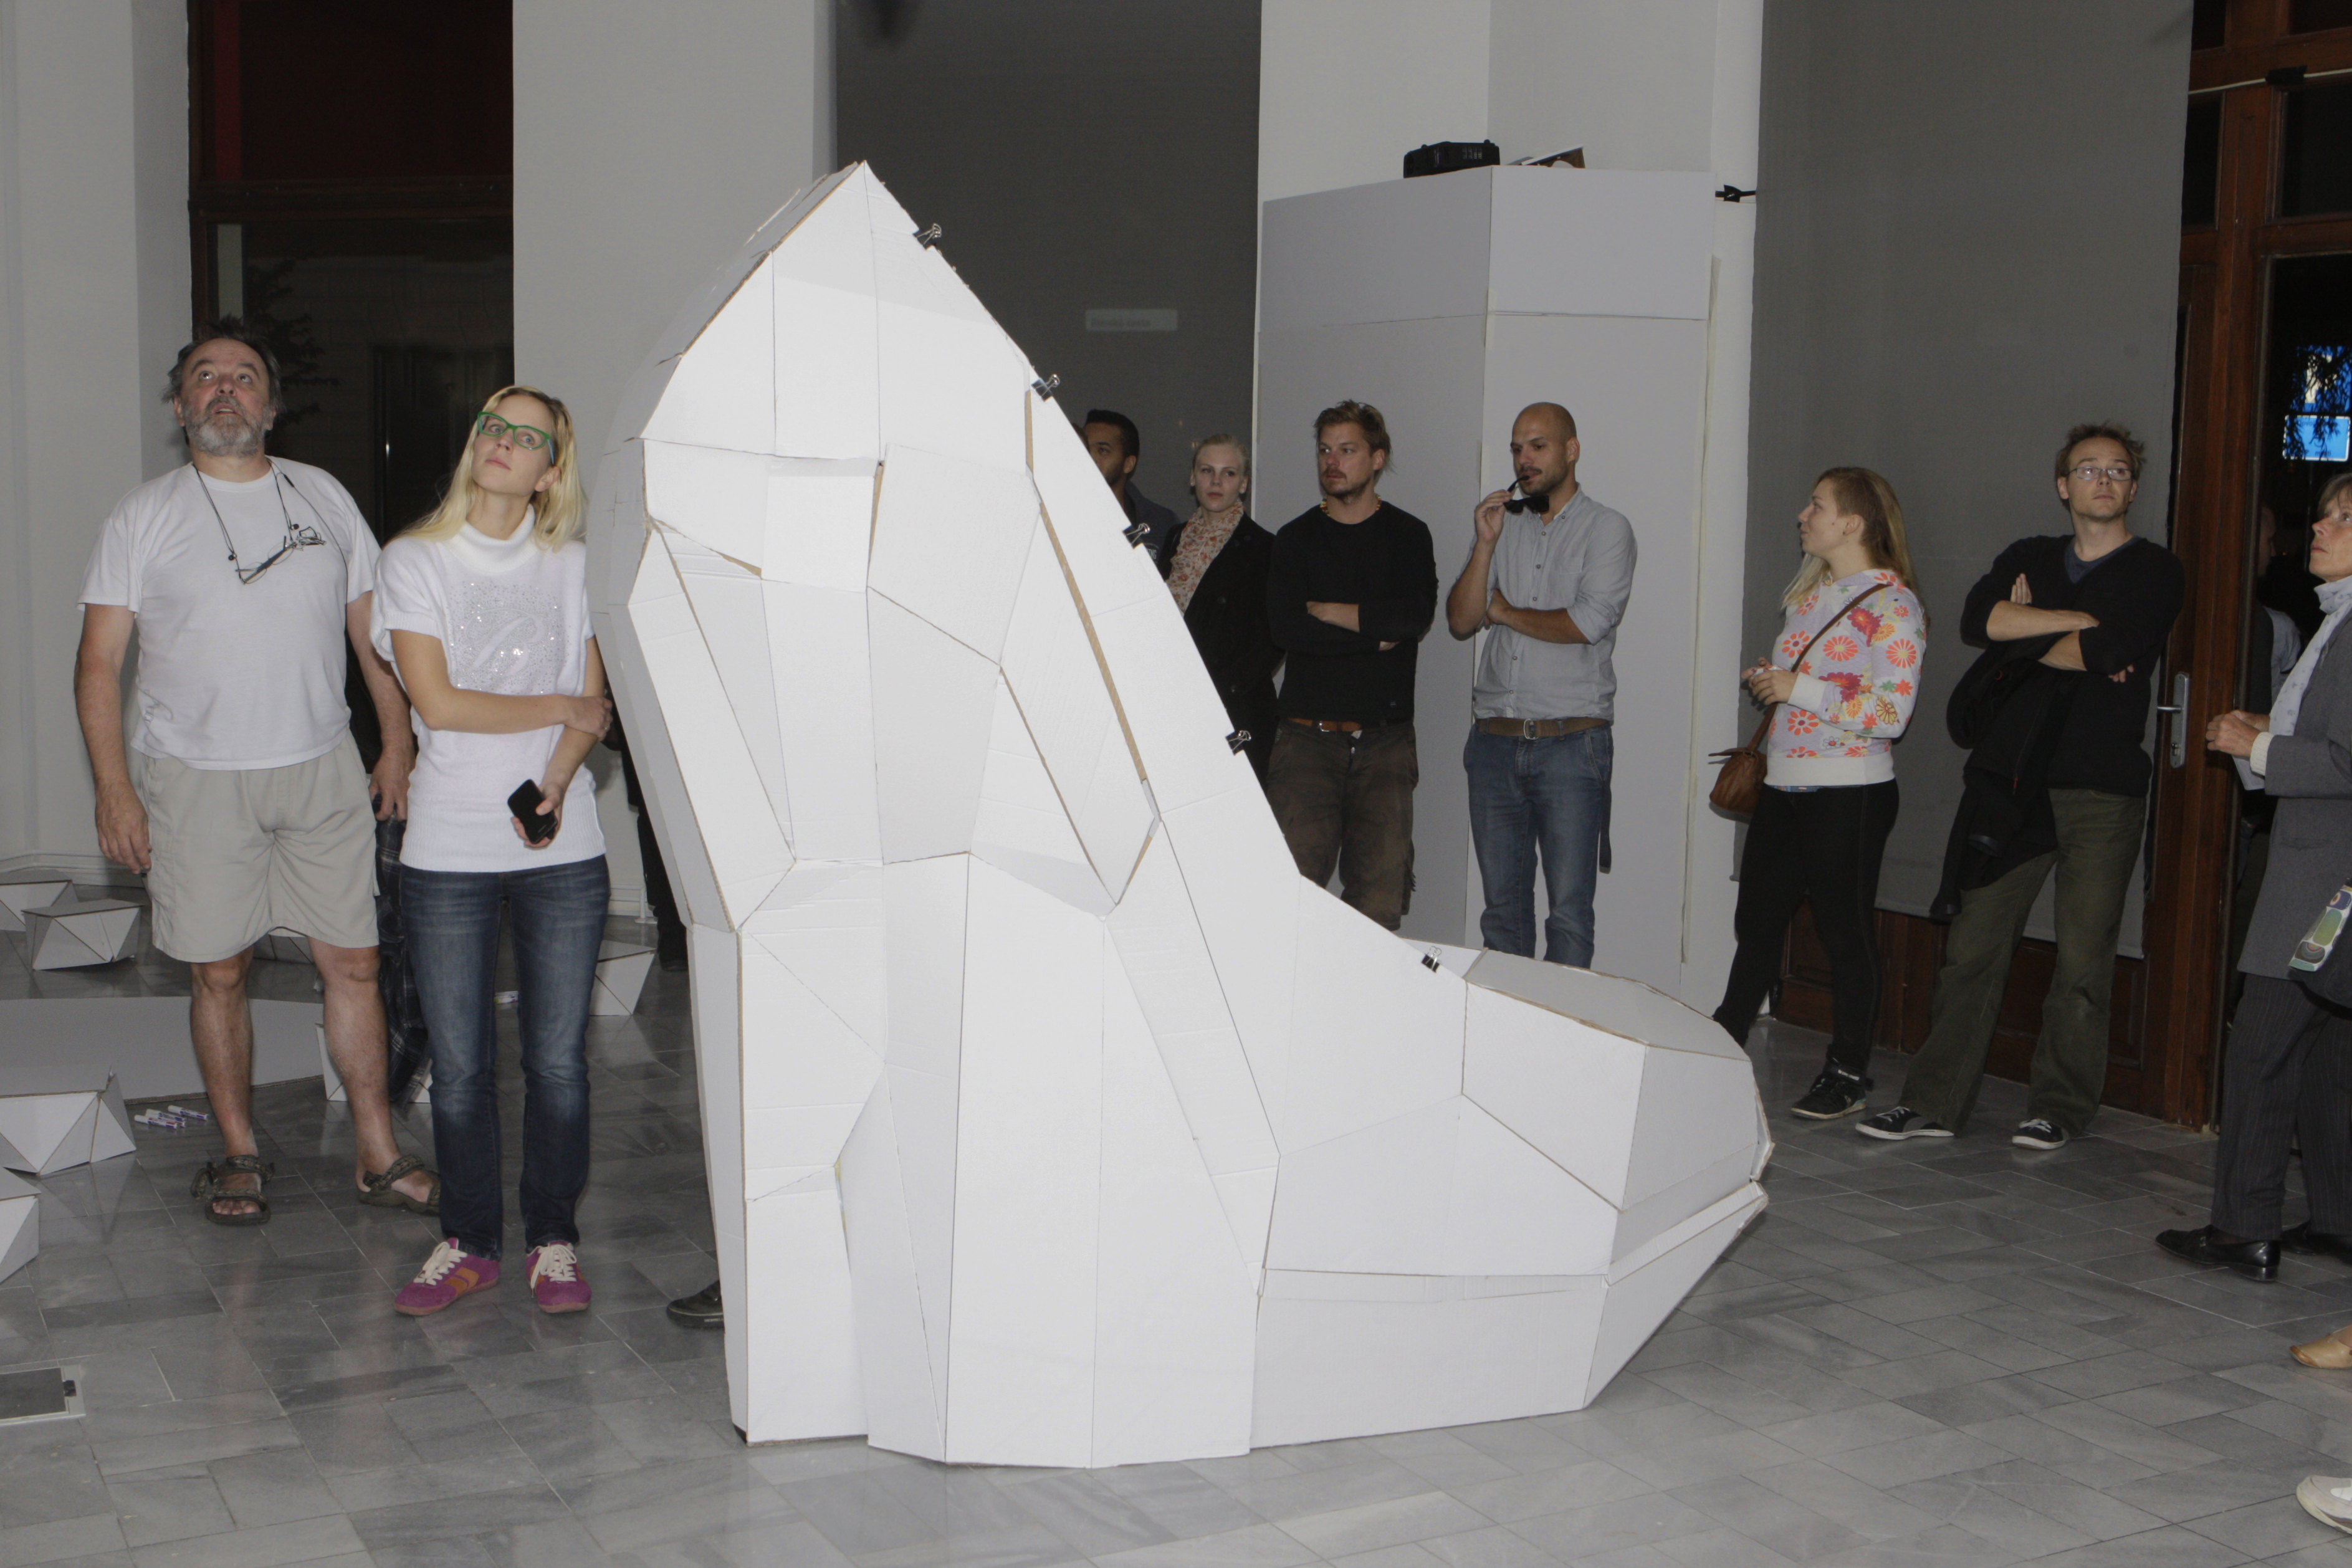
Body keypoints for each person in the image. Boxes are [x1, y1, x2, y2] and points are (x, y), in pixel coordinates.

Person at [74, 323, 437, 1225]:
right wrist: (114, 788)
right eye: (207, 377)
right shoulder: (142, 515)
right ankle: (238, 1152)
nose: (226, 389)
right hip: (194, 777)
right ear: (180, 406)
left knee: (354, 962)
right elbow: (98, 662)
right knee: (220, 972)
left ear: (272, 405)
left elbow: (372, 634)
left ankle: (379, 1153)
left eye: (245, 376)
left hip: (321, 768)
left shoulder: (324, 495)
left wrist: (396, 743)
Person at [1859, 424, 2183, 1149]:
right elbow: (1981, 618)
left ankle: (2058, 1107)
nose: (2103, 480)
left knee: (2083, 960)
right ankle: (1932, 1102)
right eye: (2087, 468)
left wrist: (2032, 630)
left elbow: (2112, 646)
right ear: (2064, 485)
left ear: (2133, 487)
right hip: (2011, 784)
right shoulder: (2029, 554)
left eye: (2118, 470)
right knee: (1973, 947)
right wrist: (2078, 624)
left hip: (2101, 792)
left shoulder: (2157, 570)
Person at [373, 386, 612, 1316]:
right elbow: (438, 703)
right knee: (462, 1068)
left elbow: (593, 703)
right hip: (448, 844)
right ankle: (469, 1242)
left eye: (527, 437)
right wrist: (560, 708)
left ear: (550, 471)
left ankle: (553, 1238)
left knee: (558, 1064)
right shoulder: (413, 559)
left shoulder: (575, 566)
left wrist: (555, 779)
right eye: (493, 427)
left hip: (563, 841)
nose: (504, 442)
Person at [2156, 474, 2352, 1289]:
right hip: (2328, 874)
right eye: (2325, 513)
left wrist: (2258, 747)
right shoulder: (2338, 616)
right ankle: (2339, 1219)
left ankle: (2243, 1228)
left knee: (2261, 1052)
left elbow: (2345, 762)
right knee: (2329, 1054)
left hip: (2322, 881)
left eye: (2345, 518)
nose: (2321, 527)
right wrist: (2268, 729)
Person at [1711, 469, 1926, 1119]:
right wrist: (1774, 680)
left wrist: (1796, 688)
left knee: (1844, 931)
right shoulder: (1810, 596)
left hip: (1849, 791)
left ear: (1853, 523)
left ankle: (1848, 1069)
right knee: (1757, 923)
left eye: (1817, 506)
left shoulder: (1894, 605)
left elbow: (1891, 712)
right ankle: (1721, 1045)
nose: (1803, 515)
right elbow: (1810, 689)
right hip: (1784, 784)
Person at [1445, 403, 1635, 966]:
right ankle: (1508, 1021)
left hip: (1571, 743)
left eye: (1538, 446)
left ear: (1571, 451)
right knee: (1502, 912)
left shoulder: (1607, 529)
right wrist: (1485, 544)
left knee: (1569, 915)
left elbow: (1586, 624)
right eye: (1516, 448)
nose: (1523, 459)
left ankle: (1562, 1023)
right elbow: (1461, 620)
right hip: (1495, 741)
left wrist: (1503, 612)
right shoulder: (1502, 525)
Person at [1264, 401, 1437, 930]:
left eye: (1346, 450)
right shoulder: (1295, 539)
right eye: (1324, 450)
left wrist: (1329, 611)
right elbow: (1287, 630)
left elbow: (1411, 618)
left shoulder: (1408, 534)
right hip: (1306, 739)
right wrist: (1371, 635)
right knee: (1290, 897)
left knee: (1379, 904)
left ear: (1377, 458)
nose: (1332, 462)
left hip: (1385, 743)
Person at [1161, 435, 1279, 779]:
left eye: (1229, 473)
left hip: (1234, 707)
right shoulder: (1174, 538)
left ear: (1243, 484)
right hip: (1172, 699)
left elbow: (1273, 639)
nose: (1216, 482)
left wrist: (1220, 689)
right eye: (1207, 471)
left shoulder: (1266, 548)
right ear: (1192, 477)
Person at [1081, 409, 1180, 564]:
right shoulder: (1057, 511)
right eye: (1085, 448)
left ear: (1128, 464)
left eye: (1103, 450)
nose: (1090, 457)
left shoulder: (1160, 523)